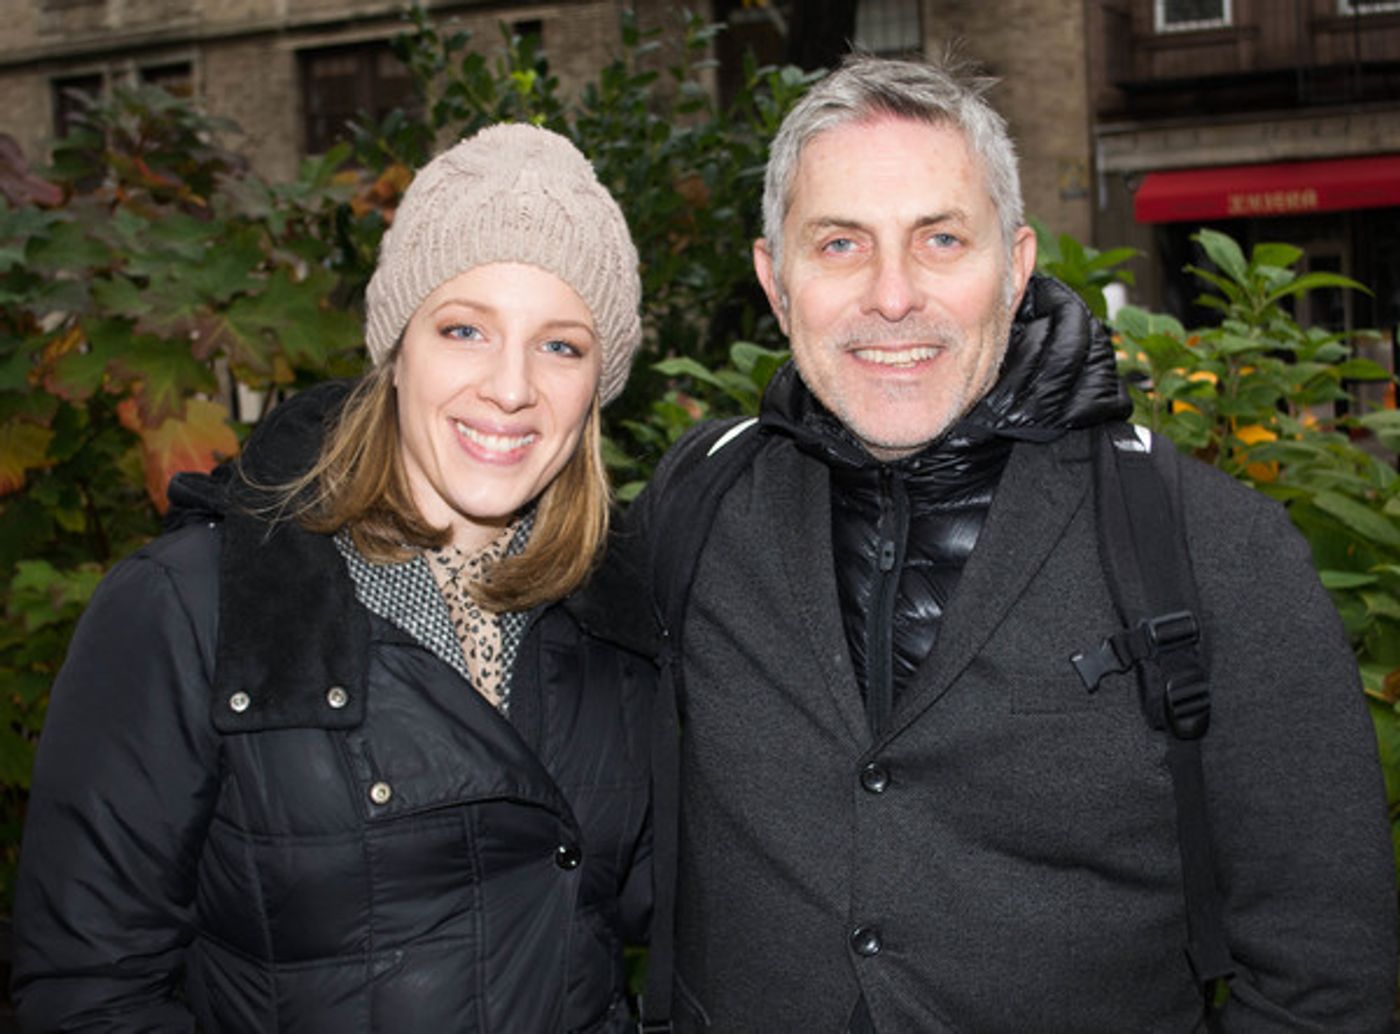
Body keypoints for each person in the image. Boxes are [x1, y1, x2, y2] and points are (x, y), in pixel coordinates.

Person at [626, 56, 1397, 1032]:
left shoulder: (1211, 547)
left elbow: (1322, 979)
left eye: (940, 238)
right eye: (838, 244)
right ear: (775, 282)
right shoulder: (697, 507)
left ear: (1017, 263)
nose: (892, 295)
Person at [11, 123, 654, 1033]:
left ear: (599, 383)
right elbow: (87, 993)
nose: (512, 388)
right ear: (398, 351)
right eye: (465, 328)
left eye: (561, 346)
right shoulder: (194, 607)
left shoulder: (617, 622)